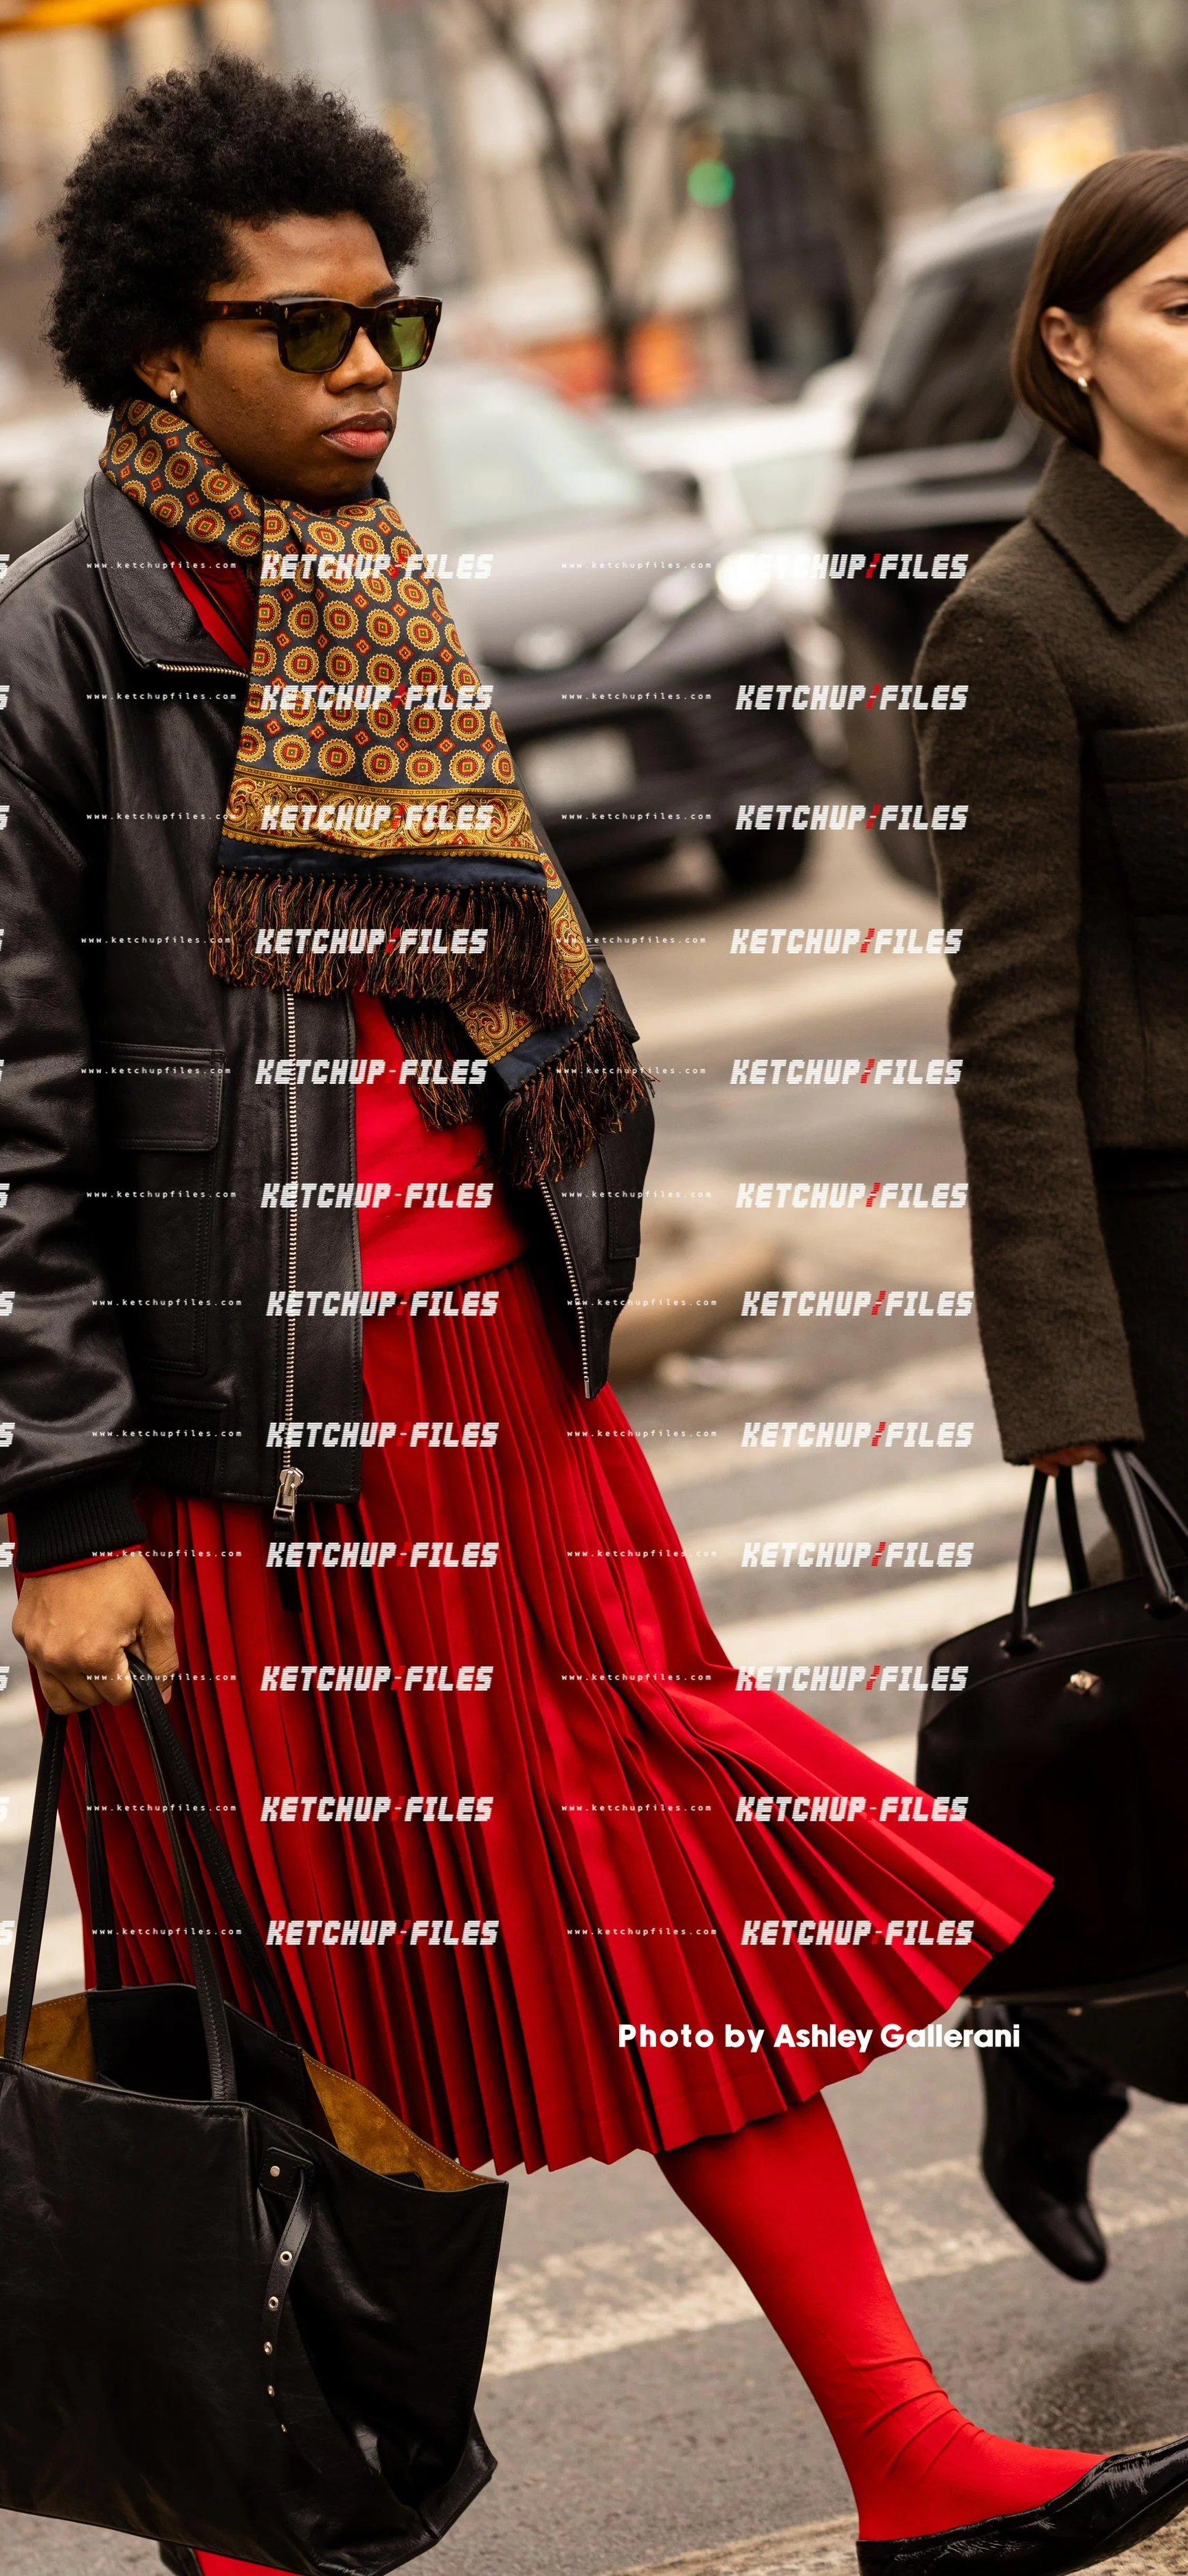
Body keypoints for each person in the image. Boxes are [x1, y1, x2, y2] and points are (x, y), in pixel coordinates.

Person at [0, 61, 1188, 2576]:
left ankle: (908, 2457)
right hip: (255, 1479)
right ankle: (254, 2538)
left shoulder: (374, 619)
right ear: (156, 352)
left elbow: (507, 1026)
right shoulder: (3, 714)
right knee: (270, 2017)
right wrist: (62, 1505)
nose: (371, 370)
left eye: (397, 319)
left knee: (657, 1908)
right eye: (310, 328)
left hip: (507, 1413)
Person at [915, 149, 1188, 2290]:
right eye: (1181, 305)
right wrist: (1063, 1382)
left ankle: (1062, 2037)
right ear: (1073, 347)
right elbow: (1004, 1021)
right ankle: (1051, 2035)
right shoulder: (1009, 622)